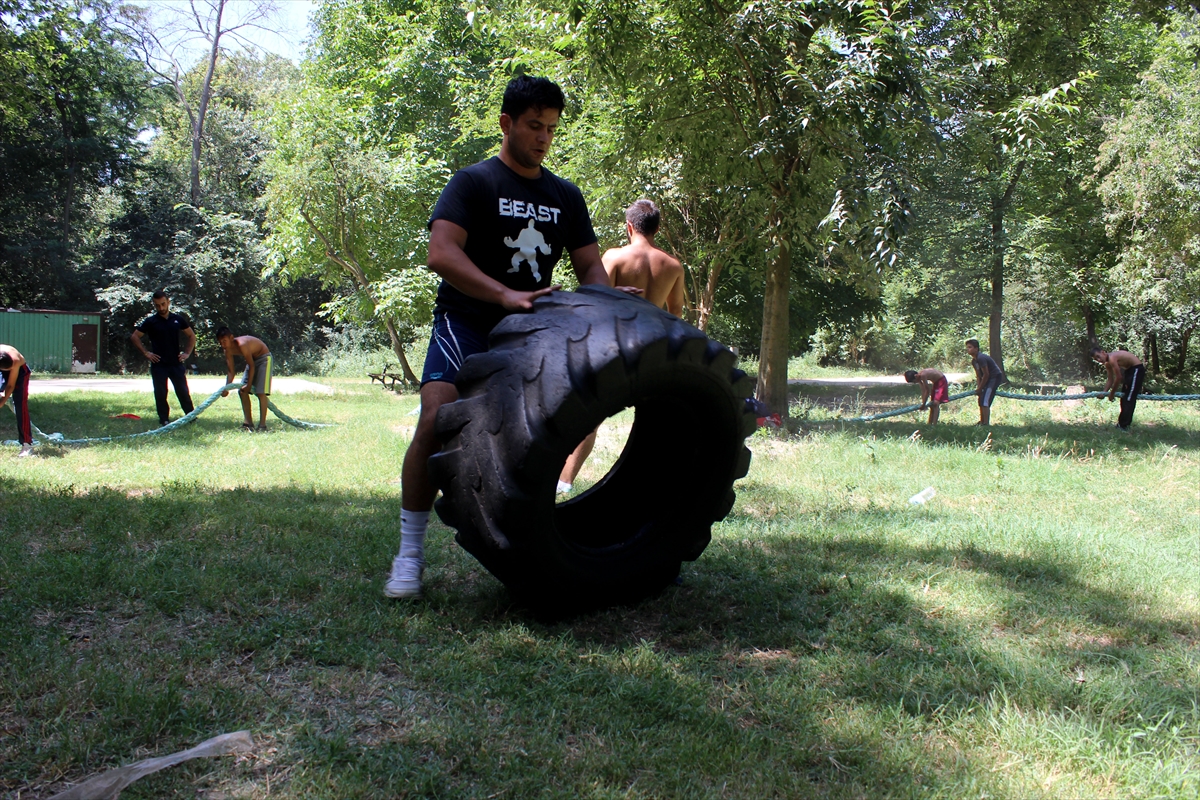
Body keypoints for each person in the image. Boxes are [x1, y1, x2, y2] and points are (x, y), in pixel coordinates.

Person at [384, 75, 618, 600]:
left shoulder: (565, 195)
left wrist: (611, 308)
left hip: (533, 332)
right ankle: (410, 555)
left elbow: (590, 270)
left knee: (537, 433)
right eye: (534, 126)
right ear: (506, 124)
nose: (543, 138)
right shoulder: (473, 183)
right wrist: (503, 294)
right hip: (467, 322)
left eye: (552, 129)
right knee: (434, 417)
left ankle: (536, 548)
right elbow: (441, 254)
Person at [556, 199, 685, 494]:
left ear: (629, 226)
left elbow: (593, 299)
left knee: (589, 419)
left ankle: (563, 483)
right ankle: (650, 486)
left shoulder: (615, 257)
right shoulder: (673, 266)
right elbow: (675, 314)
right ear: (657, 228)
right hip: (651, 349)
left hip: (613, 347)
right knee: (652, 424)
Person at [131, 290, 196, 427]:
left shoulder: (177, 319)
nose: (161, 308)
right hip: (158, 364)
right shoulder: (151, 321)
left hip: (176, 363)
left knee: (183, 391)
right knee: (160, 393)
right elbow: (135, 337)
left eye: (163, 304)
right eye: (157, 305)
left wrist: (187, 353)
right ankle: (164, 419)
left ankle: (191, 416)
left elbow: (192, 336)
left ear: (168, 302)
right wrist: (146, 353)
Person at [216, 327, 272, 431]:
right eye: (220, 342)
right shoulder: (227, 350)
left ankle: (262, 426)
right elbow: (231, 371)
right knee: (242, 392)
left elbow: (251, 366)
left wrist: (249, 385)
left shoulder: (241, 344)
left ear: (231, 338)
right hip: (252, 361)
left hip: (264, 358)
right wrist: (226, 388)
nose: (223, 344)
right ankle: (248, 424)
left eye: (224, 341)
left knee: (261, 393)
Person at [1090, 345, 1145, 430]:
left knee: (1129, 398)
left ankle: (1124, 426)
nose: (1099, 360)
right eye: (1096, 359)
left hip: (1137, 369)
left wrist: (1112, 394)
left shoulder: (1112, 358)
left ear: (1103, 352)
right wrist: (1104, 392)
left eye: (1098, 356)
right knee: (1124, 398)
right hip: (1129, 371)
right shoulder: (1107, 363)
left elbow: (1119, 377)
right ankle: (1121, 424)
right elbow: (1110, 380)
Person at [0, 344, 33, 456]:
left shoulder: (15, 360)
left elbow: (11, 385)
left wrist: (3, 401)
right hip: (2, 368)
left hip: (20, 372)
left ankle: (26, 445)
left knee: (20, 405)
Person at [966, 339, 1004, 426]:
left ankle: (986, 423)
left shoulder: (981, 358)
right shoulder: (974, 361)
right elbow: (979, 375)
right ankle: (982, 421)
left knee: (985, 401)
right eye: (967, 347)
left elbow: (986, 374)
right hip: (987, 379)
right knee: (981, 399)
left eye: (970, 347)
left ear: (976, 348)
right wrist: (979, 388)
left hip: (994, 377)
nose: (968, 349)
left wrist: (980, 388)